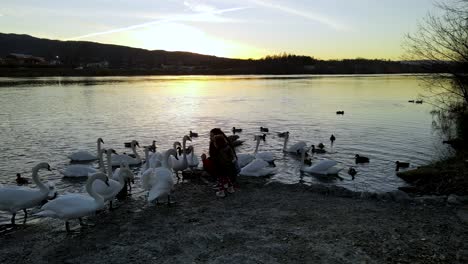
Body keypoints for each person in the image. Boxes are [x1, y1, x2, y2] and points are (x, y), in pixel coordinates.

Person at [202, 128, 239, 197]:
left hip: (224, 169)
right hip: (230, 169)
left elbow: (217, 161)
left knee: (221, 176)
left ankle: (222, 191)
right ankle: (230, 187)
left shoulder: (220, 150)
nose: (210, 138)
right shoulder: (226, 146)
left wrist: (204, 160)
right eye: (210, 136)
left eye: (212, 136)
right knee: (225, 176)